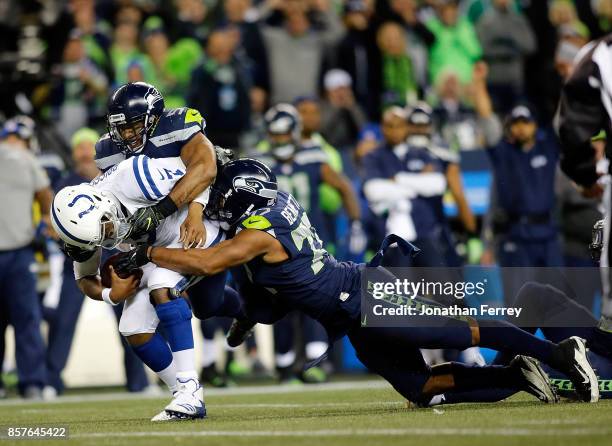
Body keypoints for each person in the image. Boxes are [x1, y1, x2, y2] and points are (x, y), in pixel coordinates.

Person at [116, 158, 600, 405]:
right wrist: (243, 321)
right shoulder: (265, 215)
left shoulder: (260, 234)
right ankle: (517, 374)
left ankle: (560, 353)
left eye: (223, 199)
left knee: (460, 331)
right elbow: (275, 294)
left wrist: (149, 252)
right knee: (422, 389)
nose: (217, 205)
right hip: (351, 309)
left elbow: (208, 263)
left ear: (242, 198)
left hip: (366, 294)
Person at [50, 153, 240, 421]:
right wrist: (109, 294)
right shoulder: (84, 230)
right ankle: (185, 396)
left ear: (102, 204)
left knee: (164, 283)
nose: (107, 237)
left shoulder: (132, 177)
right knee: (132, 327)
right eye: (99, 237)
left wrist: (195, 213)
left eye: (104, 230)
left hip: (193, 229)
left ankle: (189, 387)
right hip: (153, 251)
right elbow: (85, 278)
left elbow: (202, 169)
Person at [45, 128, 149, 396]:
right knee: (64, 322)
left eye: (87, 146)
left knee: (131, 321)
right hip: (81, 258)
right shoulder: (65, 184)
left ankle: (138, 382)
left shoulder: (116, 177)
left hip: (119, 260)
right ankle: (51, 381)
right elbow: (53, 224)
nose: (82, 152)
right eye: (78, 146)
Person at [0, 119, 53, 399]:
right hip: (19, 252)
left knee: (25, 320)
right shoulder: (27, 159)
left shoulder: (24, 158)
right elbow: (46, 195)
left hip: (18, 253)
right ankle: (32, 382)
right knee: (27, 321)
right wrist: (45, 219)